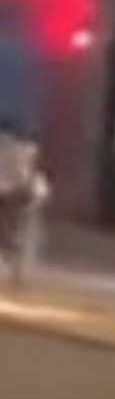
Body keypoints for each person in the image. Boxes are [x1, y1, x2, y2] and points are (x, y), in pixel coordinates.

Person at [0, 121, 49, 287]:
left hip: (18, 191)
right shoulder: (25, 148)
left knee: (18, 228)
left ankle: (18, 267)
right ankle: (18, 267)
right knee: (18, 229)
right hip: (18, 190)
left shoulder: (21, 148)